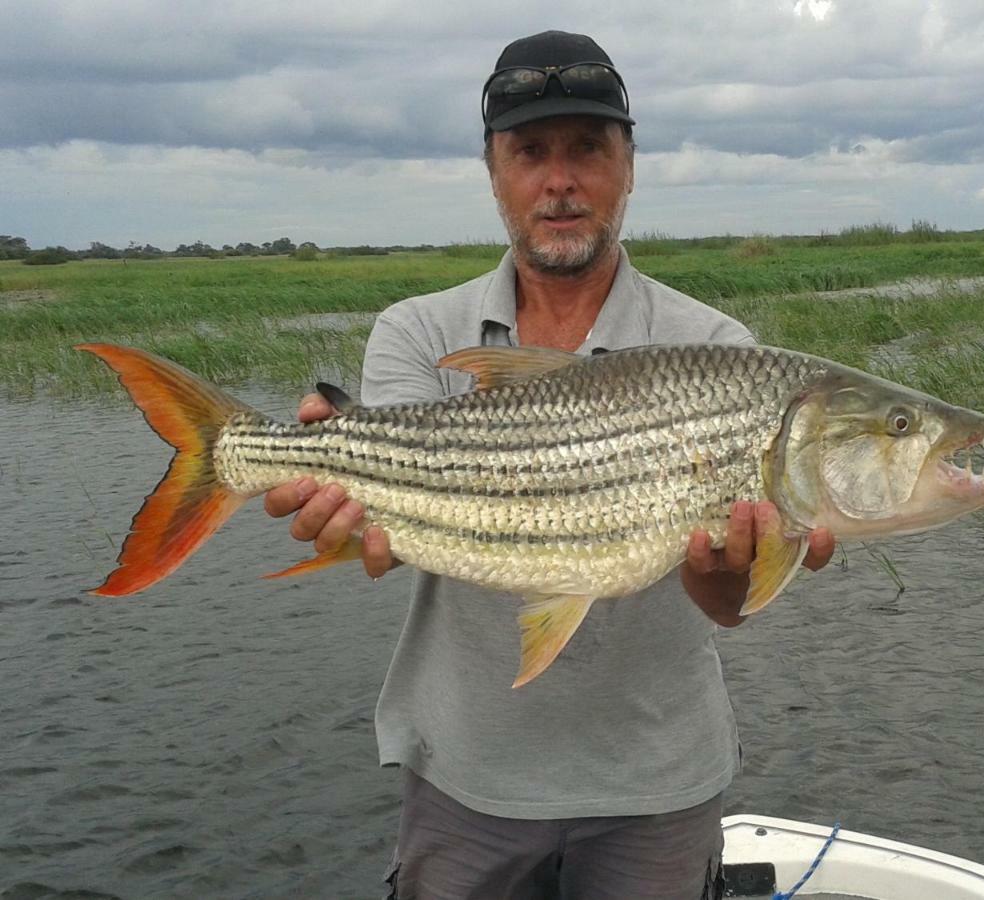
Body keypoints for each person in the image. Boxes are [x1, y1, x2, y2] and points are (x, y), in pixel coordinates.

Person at [264, 30, 835, 900]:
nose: (559, 181)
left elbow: (726, 607)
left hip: (657, 784)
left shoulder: (720, 351)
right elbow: (387, 538)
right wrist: (350, 523)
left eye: (587, 150)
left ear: (630, 164)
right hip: (464, 775)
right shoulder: (416, 331)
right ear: (493, 171)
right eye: (530, 152)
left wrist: (746, 566)